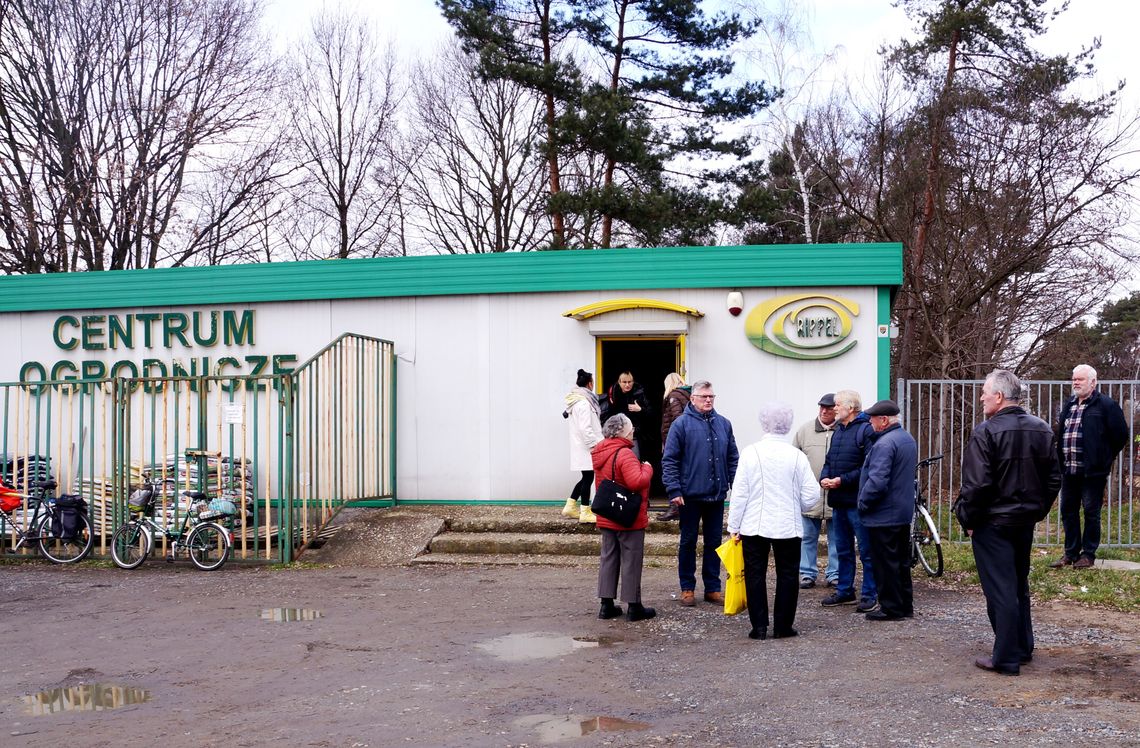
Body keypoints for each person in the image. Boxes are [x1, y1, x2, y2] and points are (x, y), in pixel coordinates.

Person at [956, 370, 1061, 675]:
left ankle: (1005, 658)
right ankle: (1022, 647)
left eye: (985, 392)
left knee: (1000, 590)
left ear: (999, 397)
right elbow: (1053, 479)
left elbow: (976, 485)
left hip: (992, 524)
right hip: (1023, 521)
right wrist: (1037, 510)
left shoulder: (985, 432)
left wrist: (968, 518)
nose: (981, 397)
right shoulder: (1041, 429)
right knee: (1018, 585)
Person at [728, 402, 821, 640]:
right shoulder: (796, 456)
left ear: (763, 423)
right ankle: (783, 626)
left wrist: (734, 526)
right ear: (787, 424)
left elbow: (739, 493)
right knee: (788, 575)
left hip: (754, 524)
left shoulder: (751, 452)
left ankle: (758, 627)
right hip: (788, 525)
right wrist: (797, 506)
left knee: (754, 574)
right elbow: (812, 494)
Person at [661, 380, 739, 606]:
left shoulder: (724, 424)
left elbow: (732, 459)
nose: (708, 400)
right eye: (704, 396)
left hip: (716, 495)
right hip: (689, 496)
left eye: (711, 396)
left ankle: (713, 588)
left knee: (715, 543)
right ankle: (687, 588)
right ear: (693, 398)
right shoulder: (681, 425)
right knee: (688, 542)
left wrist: (737, 487)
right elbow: (670, 460)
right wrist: (673, 489)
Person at [1050, 364, 1128, 569]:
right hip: (1069, 469)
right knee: (1068, 511)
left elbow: (1120, 435)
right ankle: (1070, 553)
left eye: (1080, 379)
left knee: (1091, 512)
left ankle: (1088, 554)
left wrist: (1104, 457)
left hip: (1092, 472)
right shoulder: (1069, 404)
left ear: (1093, 382)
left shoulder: (1106, 405)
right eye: (1074, 379)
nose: (1075, 382)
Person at [857, 399, 918, 621]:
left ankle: (890, 608)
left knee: (885, 563)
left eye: (873, 419)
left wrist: (862, 503)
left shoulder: (884, 444)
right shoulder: (906, 439)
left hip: (884, 514)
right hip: (901, 511)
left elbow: (878, 482)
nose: (870, 423)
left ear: (883, 420)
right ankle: (904, 605)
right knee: (901, 561)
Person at [592, 414, 657, 622]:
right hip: (627, 517)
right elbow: (637, 481)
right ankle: (634, 606)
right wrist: (647, 467)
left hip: (608, 514)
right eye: (630, 428)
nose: (633, 431)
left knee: (608, 558)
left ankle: (606, 604)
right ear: (621, 431)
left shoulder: (600, 450)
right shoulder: (625, 454)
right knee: (631, 560)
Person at [818, 389, 877, 611]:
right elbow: (829, 460)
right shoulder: (838, 432)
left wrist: (841, 480)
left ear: (850, 408)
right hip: (838, 501)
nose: (834, 408)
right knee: (842, 549)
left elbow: (867, 467)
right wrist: (824, 477)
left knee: (866, 550)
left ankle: (870, 594)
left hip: (857, 502)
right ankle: (845, 591)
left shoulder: (866, 431)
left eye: (837, 405)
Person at [792, 393, 839, 589]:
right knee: (807, 537)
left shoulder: (843, 431)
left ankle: (834, 573)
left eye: (828, 408)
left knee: (836, 539)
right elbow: (793, 459)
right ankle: (807, 572)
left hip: (837, 497)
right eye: (821, 407)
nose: (824, 411)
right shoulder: (804, 431)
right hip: (810, 497)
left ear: (836, 410)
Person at [562, 369, 602, 523]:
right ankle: (585, 511)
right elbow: (586, 429)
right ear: (589, 384)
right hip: (587, 447)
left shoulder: (577, 401)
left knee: (586, 477)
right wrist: (594, 446)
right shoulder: (584, 403)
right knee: (588, 478)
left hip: (582, 446)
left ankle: (570, 506)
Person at [656, 372, 692, 521]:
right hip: (686, 442)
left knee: (670, 471)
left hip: (675, 442)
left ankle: (674, 507)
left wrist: (671, 441)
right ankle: (680, 506)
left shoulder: (673, 396)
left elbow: (677, 419)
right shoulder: (687, 395)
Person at [606, 371, 652, 458]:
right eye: (624, 382)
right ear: (619, 382)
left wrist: (640, 409)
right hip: (618, 434)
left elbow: (651, 412)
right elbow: (610, 414)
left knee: (635, 458)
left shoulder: (639, 393)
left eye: (629, 382)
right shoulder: (613, 393)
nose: (627, 385)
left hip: (635, 433)